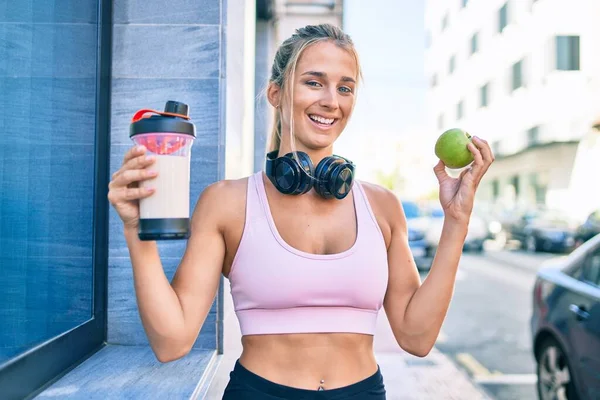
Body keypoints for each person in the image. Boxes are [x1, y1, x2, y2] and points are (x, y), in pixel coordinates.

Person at [107, 23, 494, 400]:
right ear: (276, 93)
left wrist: (456, 222)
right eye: (314, 82)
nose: (331, 100)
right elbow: (171, 342)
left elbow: (417, 337)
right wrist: (135, 233)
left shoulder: (383, 207)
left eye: (345, 88)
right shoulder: (226, 203)